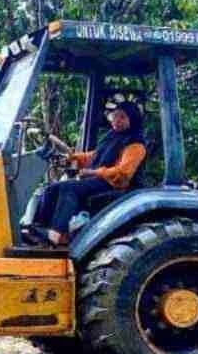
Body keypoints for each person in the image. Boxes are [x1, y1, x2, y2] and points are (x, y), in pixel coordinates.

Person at [26, 95, 147, 246]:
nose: (117, 121)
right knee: (51, 188)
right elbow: (95, 156)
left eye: (122, 117)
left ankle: (57, 234)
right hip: (100, 180)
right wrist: (71, 158)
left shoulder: (135, 145)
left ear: (133, 120)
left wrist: (93, 172)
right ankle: (38, 229)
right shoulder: (113, 137)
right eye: (115, 116)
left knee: (70, 188)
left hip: (115, 185)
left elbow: (122, 173)